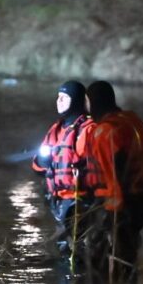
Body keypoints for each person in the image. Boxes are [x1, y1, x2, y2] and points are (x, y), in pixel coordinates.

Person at [84, 80, 143, 266]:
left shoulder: (105, 132)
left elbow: (115, 172)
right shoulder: (132, 121)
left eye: (87, 102)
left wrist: (115, 211)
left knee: (104, 261)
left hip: (120, 204)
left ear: (94, 102)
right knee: (126, 256)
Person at [32, 80, 98, 247]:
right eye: (58, 97)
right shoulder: (55, 129)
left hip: (79, 203)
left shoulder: (88, 129)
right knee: (64, 248)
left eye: (64, 97)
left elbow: (96, 166)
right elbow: (38, 167)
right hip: (58, 201)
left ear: (75, 100)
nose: (58, 101)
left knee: (77, 249)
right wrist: (42, 161)